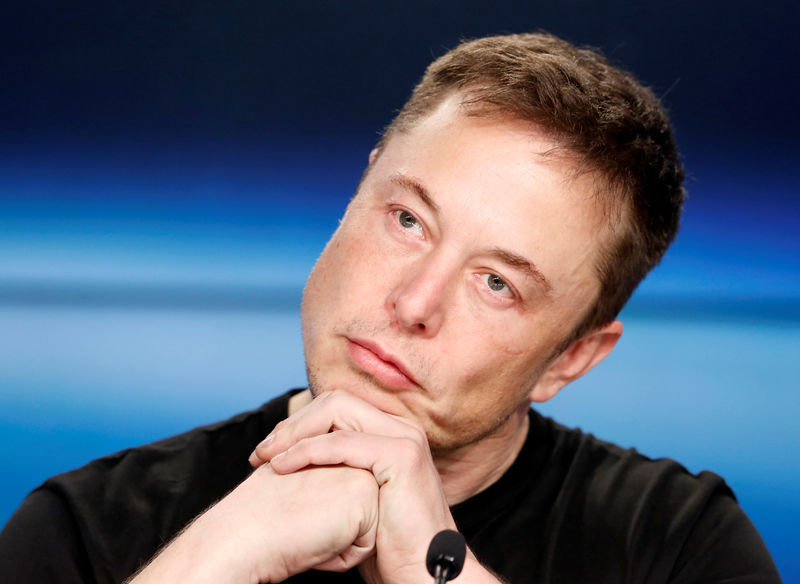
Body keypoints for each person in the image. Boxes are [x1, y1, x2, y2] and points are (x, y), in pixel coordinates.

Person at [0, 32, 781, 584]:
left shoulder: (680, 544)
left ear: (571, 356)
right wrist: (223, 555)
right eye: (407, 220)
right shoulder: (83, 527)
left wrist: (429, 563)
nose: (413, 303)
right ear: (357, 193)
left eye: (497, 283)